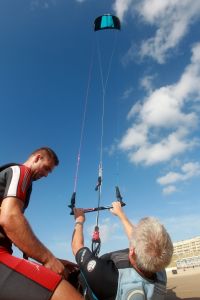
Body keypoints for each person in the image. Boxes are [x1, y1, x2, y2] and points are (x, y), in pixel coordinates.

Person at [0, 147, 83, 300]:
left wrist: (53, 260)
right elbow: (10, 219)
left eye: (49, 172)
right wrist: (48, 260)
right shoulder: (20, 171)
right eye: (46, 169)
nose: (45, 175)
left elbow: (15, 232)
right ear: (37, 158)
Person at [71, 201, 173, 300]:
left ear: (132, 251)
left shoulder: (107, 277)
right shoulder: (159, 268)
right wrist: (120, 214)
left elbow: (77, 247)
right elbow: (143, 242)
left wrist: (79, 220)